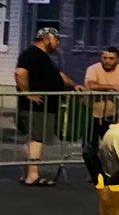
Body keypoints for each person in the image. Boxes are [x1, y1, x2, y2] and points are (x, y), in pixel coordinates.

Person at [14, 26, 78, 187]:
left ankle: (27, 172)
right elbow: (20, 73)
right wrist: (27, 93)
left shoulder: (44, 58)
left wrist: (74, 85)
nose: (58, 43)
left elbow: (59, 76)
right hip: (36, 107)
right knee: (37, 139)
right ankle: (32, 175)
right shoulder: (31, 54)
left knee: (35, 140)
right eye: (56, 39)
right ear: (47, 39)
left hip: (46, 106)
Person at [81, 46, 119, 172]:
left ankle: (111, 172)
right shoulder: (93, 68)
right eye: (104, 58)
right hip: (92, 115)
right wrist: (112, 87)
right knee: (89, 148)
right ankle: (95, 173)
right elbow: (90, 85)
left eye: (111, 58)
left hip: (113, 115)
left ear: (118, 60)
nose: (107, 61)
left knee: (112, 146)